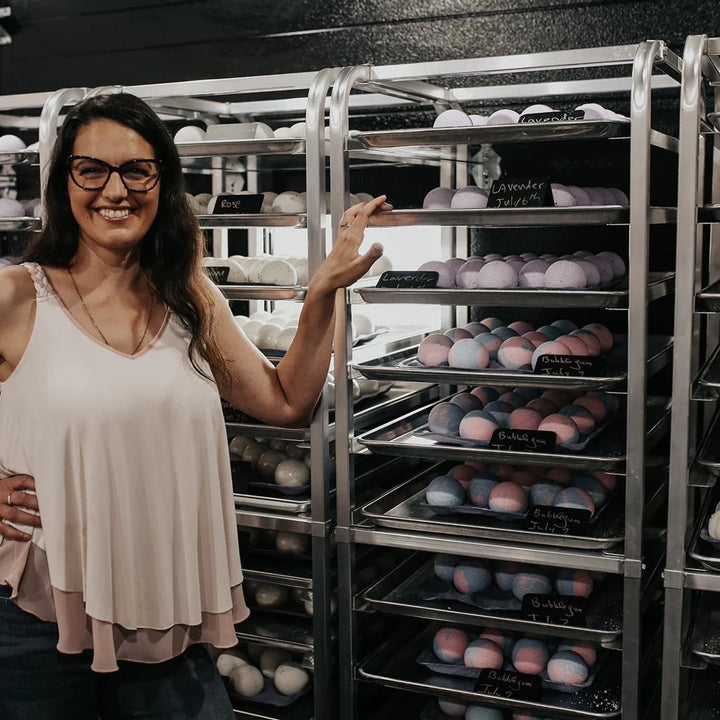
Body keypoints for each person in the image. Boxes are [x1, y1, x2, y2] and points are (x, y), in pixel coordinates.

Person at [0, 92, 389, 719]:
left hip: (162, 606)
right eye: (91, 169)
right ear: (63, 180)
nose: (115, 190)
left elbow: (286, 402)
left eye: (138, 170)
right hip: (39, 614)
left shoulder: (189, 297)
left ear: (163, 181)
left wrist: (320, 295)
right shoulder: (17, 296)